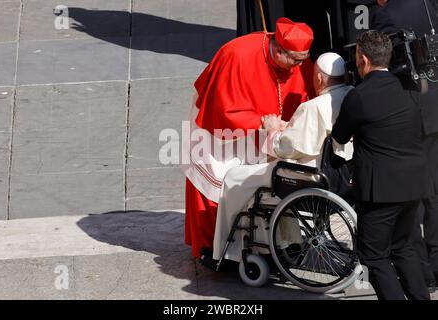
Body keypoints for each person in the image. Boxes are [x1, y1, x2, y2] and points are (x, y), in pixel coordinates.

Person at [182, 18, 316, 261]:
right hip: (221, 134)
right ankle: (214, 248)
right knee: (221, 183)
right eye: (295, 60)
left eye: (304, 60)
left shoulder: (296, 62)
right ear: (278, 50)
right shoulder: (238, 56)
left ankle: (260, 244)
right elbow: (224, 109)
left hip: (262, 133)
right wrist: (262, 124)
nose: (299, 67)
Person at [212, 52, 354, 262]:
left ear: (318, 78)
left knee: (234, 178)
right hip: (341, 174)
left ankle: (230, 251)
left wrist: (271, 129)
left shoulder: (313, 106)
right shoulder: (352, 95)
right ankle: (286, 241)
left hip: (307, 176)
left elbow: (284, 148)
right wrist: (289, 128)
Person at [332, 30, 430, 300]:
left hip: (381, 192)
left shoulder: (359, 97)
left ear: (363, 59)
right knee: (404, 248)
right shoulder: (409, 92)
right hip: (413, 185)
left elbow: (339, 137)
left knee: (374, 257)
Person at [371, 0, 438, 291]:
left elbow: (385, 63)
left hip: (415, 113)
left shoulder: (385, 15)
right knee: (436, 192)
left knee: (416, 195)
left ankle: (422, 270)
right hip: (436, 107)